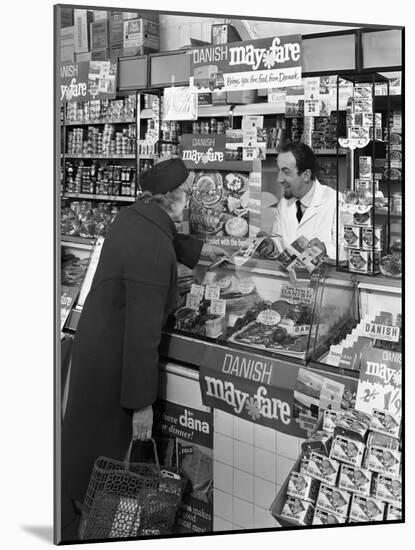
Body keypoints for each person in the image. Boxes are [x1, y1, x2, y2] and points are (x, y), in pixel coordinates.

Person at [60, 158, 224, 541]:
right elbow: (142, 333)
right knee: (112, 463)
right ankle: (98, 529)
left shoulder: (131, 218)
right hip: (117, 366)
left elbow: (160, 236)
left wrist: (201, 251)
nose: (189, 201)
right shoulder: (152, 248)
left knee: (87, 446)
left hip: (96, 352)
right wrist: (141, 404)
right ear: (170, 198)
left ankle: (79, 511)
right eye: (185, 193)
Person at [258, 141, 341, 260]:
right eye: (279, 171)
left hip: (325, 277)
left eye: (286, 172)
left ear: (306, 175)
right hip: (290, 277)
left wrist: (325, 249)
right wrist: (272, 246)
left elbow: (349, 250)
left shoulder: (336, 202)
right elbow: (281, 241)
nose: (279, 179)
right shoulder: (284, 203)